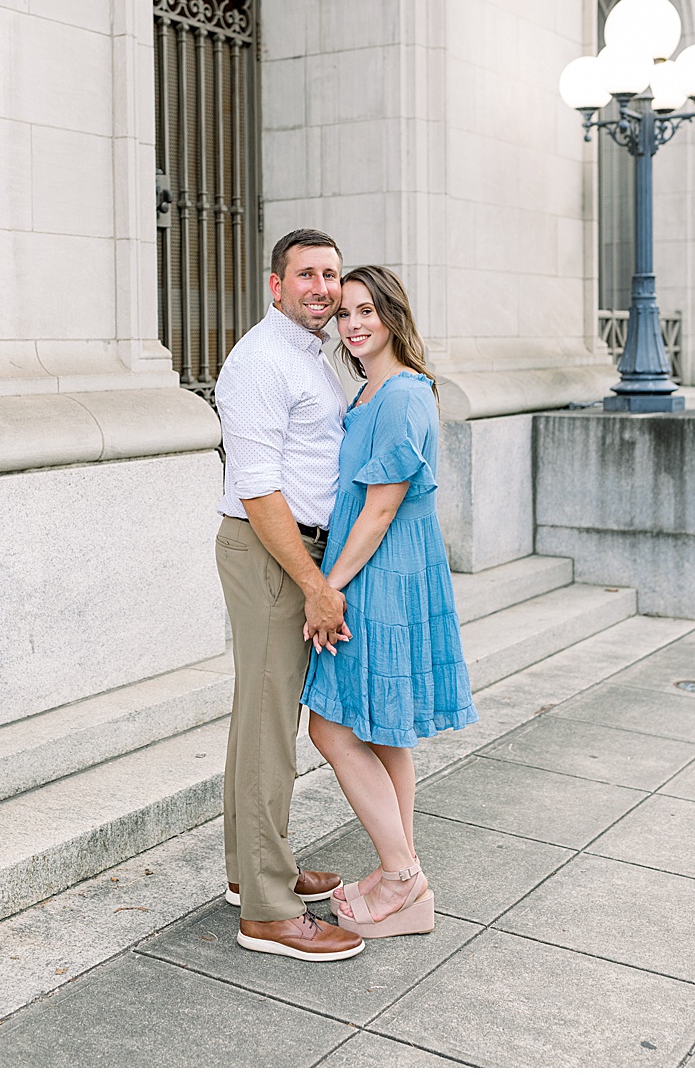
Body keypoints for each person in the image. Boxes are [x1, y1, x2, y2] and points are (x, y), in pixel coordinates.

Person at [301, 265, 477, 939]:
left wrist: (329, 588)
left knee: (331, 727)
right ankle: (403, 876)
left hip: (380, 573)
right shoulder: (373, 388)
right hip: (376, 567)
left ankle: (402, 877)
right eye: (345, 314)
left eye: (367, 310)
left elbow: (380, 509)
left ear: (393, 315)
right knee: (382, 729)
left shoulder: (402, 393)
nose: (354, 323)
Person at [213, 229, 364, 963]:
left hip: (297, 550)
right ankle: (269, 913)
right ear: (276, 286)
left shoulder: (315, 356)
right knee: (271, 728)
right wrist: (313, 584)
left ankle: (256, 872)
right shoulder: (260, 363)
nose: (323, 287)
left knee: (262, 721)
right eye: (307, 274)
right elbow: (257, 484)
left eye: (330, 275)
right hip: (274, 552)